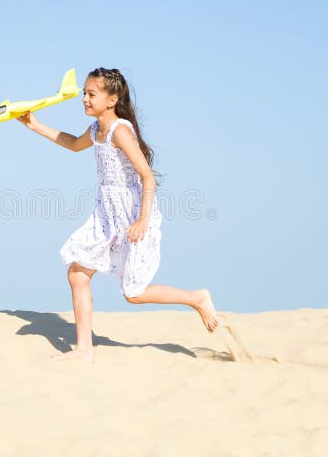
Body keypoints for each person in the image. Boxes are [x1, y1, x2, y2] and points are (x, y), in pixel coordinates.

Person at [16, 67, 220, 363]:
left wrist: (143, 220)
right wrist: (35, 125)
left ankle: (197, 298)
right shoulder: (96, 131)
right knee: (77, 272)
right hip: (106, 213)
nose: (84, 98)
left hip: (132, 214)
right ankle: (84, 349)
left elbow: (147, 177)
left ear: (111, 100)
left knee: (134, 293)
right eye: (84, 93)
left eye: (91, 94)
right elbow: (73, 144)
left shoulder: (119, 131)